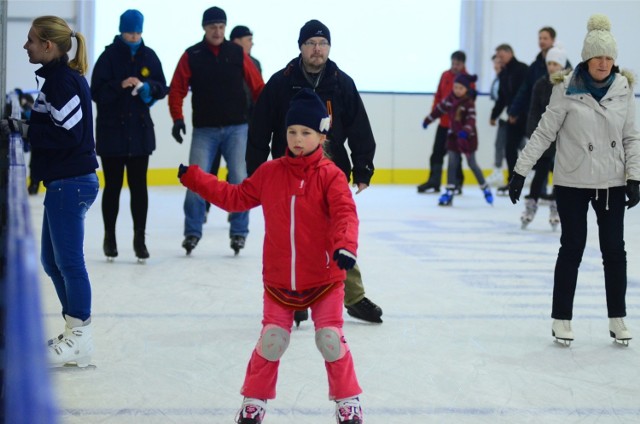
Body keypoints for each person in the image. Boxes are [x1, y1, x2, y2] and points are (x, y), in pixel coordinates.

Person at [178, 88, 364, 424]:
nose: (297, 139)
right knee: (272, 340)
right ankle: (254, 401)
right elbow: (235, 197)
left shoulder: (331, 176)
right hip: (280, 278)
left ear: (321, 136)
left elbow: (344, 214)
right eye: (292, 131)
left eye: (305, 133)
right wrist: (196, 179)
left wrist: (345, 245)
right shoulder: (271, 172)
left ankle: (348, 400)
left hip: (324, 277)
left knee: (330, 339)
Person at [509, 14, 640, 346]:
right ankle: (561, 318)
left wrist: (634, 176)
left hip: (611, 181)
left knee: (615, 252)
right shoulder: (566, 87)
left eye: (609, 57)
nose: (604, 63)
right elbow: (543, 132)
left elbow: (632, 137)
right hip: (572, 182)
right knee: (572, 248)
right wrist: (521, 170)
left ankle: (617, 318)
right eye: (598, 57)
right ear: (587, 57)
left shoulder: (624, 87)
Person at [246, 19, 382, 325]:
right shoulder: (281, 82)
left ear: (329, 48)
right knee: (294, 233)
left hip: (331, 170)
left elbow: (360, 126)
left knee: (337, 232)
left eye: (322, 44)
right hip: (289, 171)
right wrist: (256, 172)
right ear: (301, 48)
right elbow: (259, 128)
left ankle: (354, 297)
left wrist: (363, 167)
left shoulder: (341, 82)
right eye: (311, 43)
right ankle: (297, 298)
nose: (317, 49)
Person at [20, 15, 99, 366]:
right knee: (52, 261)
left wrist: (25, 131)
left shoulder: (62, 83)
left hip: (72, 182)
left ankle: (80, 335)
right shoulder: (56, 80)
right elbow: (55, 126)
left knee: (68, 262)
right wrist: (23, 125)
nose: (26, 46)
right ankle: (74, 330)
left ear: (48, 45)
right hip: (64, 181)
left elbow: (68, 135)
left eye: (31, 40)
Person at [168, 6, 264, 255]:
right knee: (194, 180)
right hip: (205, 130)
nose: (218, 31)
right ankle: (192, 231)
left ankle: (239, 233)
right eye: (213, 27)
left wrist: (266, 117)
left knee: (240, 180)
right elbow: (177, 88)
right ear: (204, 28)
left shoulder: (236, 52)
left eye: (221, 27)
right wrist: (177, 118)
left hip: (237, 129)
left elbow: (257, 86)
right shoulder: (193, 54)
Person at [91, 9, 168, 262]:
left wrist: (148, 88)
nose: (134, 37)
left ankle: (139, 239)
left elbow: (161, 87)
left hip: (140, 134)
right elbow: (96, 92)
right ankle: (109, 237)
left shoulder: (149, 55)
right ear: (121, 31)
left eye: (137, 32)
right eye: (129, 32)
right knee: (112, 187)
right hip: (112, 134)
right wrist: (119, 85)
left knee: (139, 188)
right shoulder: (108, 56)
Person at [422, 74, 493, 207]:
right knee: (452, 163)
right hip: (453, 137)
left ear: (466, 89)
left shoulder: (469, 103)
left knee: (472, 164)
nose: (457, 90)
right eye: (455, 87)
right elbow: (439, 110)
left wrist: (465, 131)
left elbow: (471, 120)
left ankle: (485, 187)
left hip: (468, 138)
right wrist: (428, 119)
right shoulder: (450, 99)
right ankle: (449, 191)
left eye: (460, 88)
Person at [519, 45, 569, 230]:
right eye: (549, 63)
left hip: (564, 139)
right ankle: (531, 204)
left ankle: (556, 206)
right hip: (544, 136)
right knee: (540, 172)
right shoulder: (540, 84)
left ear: (562, 65)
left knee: (560, 174)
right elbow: (533, 112)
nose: (552, 67)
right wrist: (533, 134)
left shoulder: (570, 85)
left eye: (555, 63)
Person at [417, 51, 468, 194]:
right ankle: (434, 181)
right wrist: (433, 114)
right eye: (453, 63)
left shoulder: (466, 79)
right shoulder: (445, 75)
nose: (454, 66)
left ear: (463, 64)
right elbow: (438, 95)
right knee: (436, 153)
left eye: (457, 64)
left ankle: (457, 182)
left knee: (455, 155)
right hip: (444, 123)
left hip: (457, 125)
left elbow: (470, 101)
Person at [489, 44, 528, 194]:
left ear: (510, 53)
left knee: (540, 151)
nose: (499, 59)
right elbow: (502, 98)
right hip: (513, 117)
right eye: (497, 56)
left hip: (526, 115)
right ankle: (512, 182)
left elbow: (524, 94)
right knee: (509, 148)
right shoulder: (504, 73)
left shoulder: (522, 69)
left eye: (501, 55)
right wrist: (494, 114)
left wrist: (517, 112)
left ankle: (544, 183)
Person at [485, 54, 508, 187]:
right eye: (494, 63)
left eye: (498, 62)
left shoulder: (506, 78)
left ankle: (499, 171)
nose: (496, 66)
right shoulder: (498, 78)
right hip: (502, 117)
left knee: (517, 144)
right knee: (501, 145)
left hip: (508, 116)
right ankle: (498, 171)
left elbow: (503, 98)